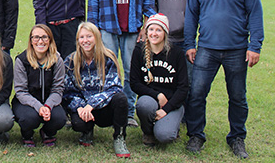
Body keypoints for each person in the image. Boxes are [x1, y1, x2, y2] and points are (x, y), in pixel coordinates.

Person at [184, 0, 264, 159]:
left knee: (237, 96)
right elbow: (191, 15)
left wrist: (255, 46)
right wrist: (190, 44)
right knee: (197, 93)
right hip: (207, 48)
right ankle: (196, 135)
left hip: (237, 49)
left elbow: (255, 13)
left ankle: (237, 137)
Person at [87, 0, 156, 127]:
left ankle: (128, 112)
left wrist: (147, 25)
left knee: (130, 70)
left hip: (133, 27)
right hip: (107, 26)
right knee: (108, 69)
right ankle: (107, 108)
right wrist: (93, 28)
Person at [63, 22, 130, 158]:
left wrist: (91, 104)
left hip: (104, 109)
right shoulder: (71, 61)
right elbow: (68, 92)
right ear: (77, 40)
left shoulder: (108, 58)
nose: (85, 41)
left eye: (89, 36)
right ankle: (87, 131)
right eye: (82, 37)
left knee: (121, 99)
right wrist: (81, 107)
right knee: (78, 123)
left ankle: (119, 137)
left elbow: (114, 88)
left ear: (97, 37)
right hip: (84, 111)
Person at [130, 14, 188, 146]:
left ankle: (170, 126)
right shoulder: (139, 51)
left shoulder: (176, 53)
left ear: (165, 33)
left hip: (172, 104)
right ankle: (148, 132)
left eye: (158, 30)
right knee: (143, 105)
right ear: (146, 31)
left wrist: (166, 109)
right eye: (151, 29)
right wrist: (157, 95)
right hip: (150, 100)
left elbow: (183, 87)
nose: (154, 34)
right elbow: (135, 83)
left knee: (164, 136)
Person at [12, 24, 66, 147]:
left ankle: (47, 132)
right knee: (29, 118)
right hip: (26, 102)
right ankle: (27, 134)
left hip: (49, 101)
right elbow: (21, 91)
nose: (40, 41)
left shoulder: (57, 60)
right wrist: (39, 107)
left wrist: (47, 105)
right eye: (36, 37)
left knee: (60, 118)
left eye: (44, 37)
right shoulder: (22, 60)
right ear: (31, 41)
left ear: (50, 40)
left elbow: (58, 89)